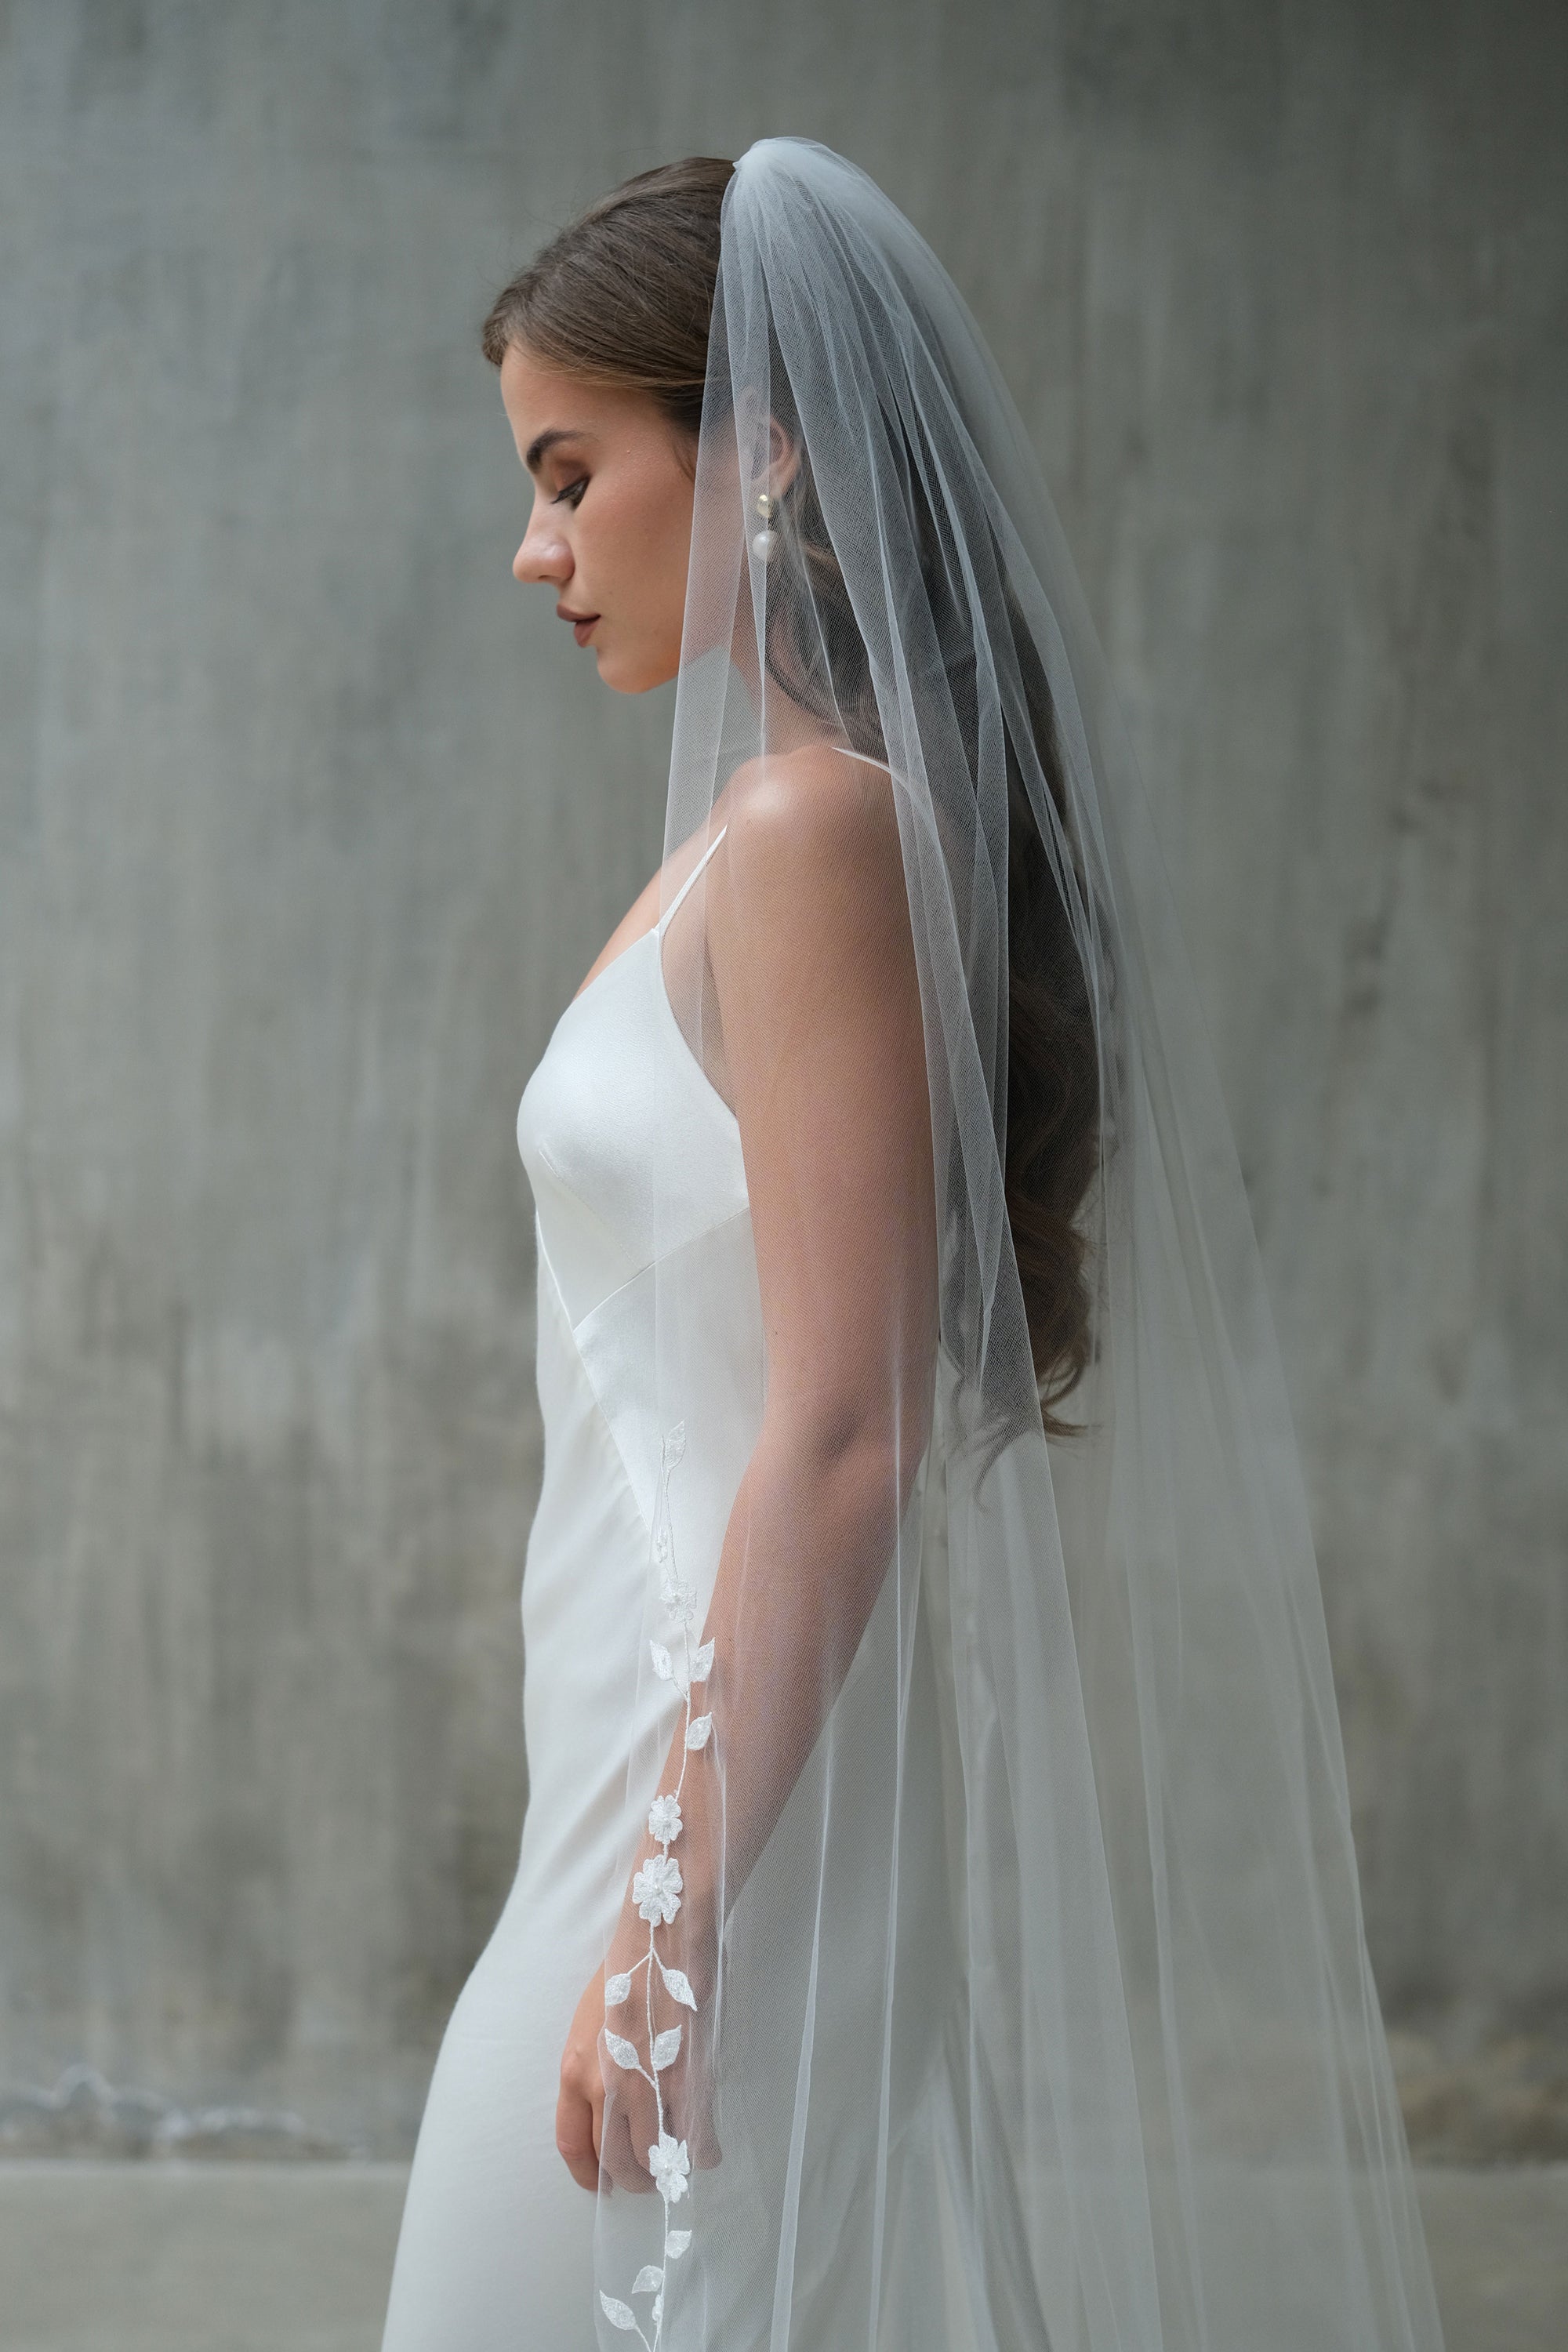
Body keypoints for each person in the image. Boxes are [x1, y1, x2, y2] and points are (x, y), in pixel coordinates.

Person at [379, 140, 1445, 2352]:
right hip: (638, 1728)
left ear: (755, 448)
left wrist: (671, 1934)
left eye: (575, 474)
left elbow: (844, 1430)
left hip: (712, 1766)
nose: (532, 546)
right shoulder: (741, 843)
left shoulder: (811, 831)